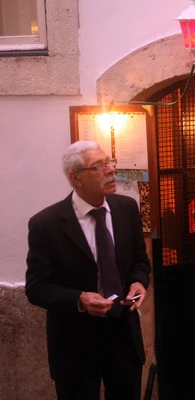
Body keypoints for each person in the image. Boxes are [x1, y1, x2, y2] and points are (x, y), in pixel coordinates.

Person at [25, 140, 151, 400]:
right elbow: (36, 288)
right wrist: (79, 299)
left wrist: (139, 282)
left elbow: (140, 261)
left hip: (123, 335)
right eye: (99, 166)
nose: (111, 171)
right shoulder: (46, 225)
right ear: (76, 177)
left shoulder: (126, 209)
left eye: (110, 163)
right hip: (75, 344)